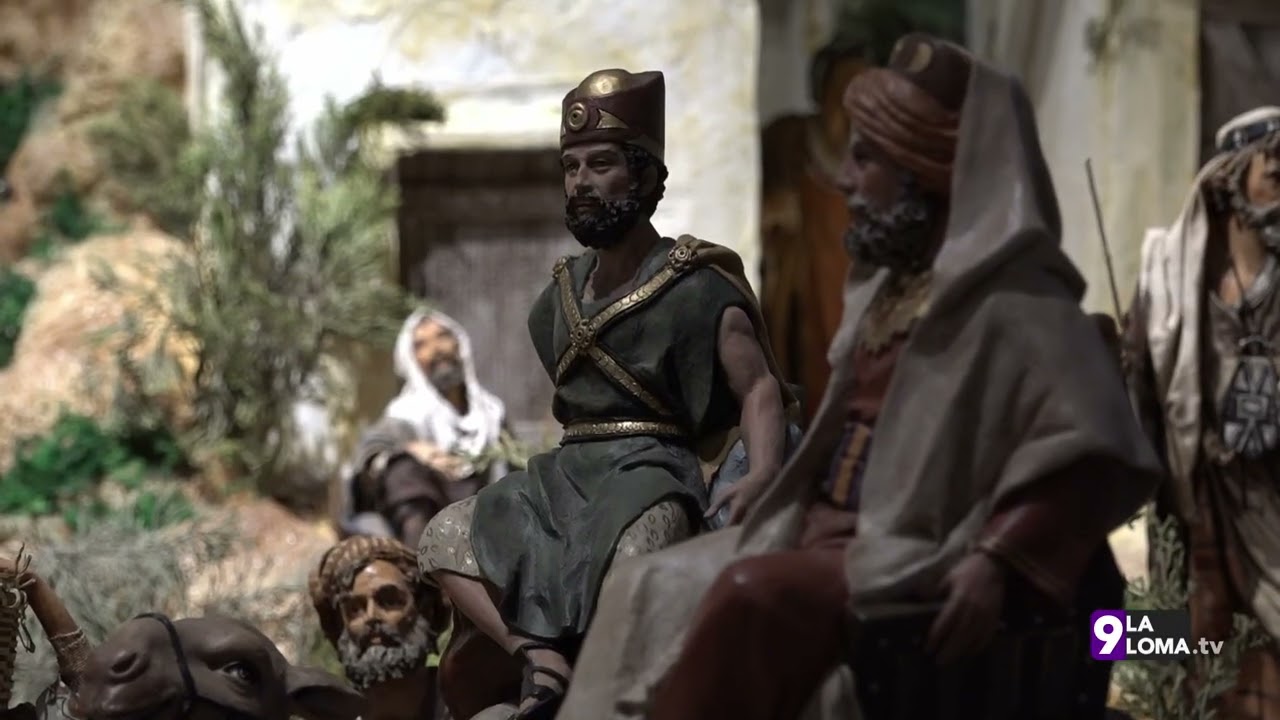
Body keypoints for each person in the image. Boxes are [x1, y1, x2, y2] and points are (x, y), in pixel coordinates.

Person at [556, 33, 1162, 720]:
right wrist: (780, 489)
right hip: (826, 529)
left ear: (927, 174)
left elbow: (1093, 455)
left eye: (865, 157)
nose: (844, 179)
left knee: (752, 591)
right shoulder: (889, 295)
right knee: (647, 583)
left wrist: (998, 558)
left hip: (913, 548)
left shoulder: (1021, 308)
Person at [416, 68, 796, 719]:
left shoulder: (696, 285)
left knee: (639, 560)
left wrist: (762, 473)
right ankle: (538, 658)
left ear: (643, 175)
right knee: (444, 537)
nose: (581, 183)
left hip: (653, 472)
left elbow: (760, 386)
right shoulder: (557, 299)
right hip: (566, 474)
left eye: (600, 164)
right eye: (570, 167)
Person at [1125, 106, 1280, 718]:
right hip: (1187, 499)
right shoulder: (1169, 272)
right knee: (1162, 653)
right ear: (1229, 179)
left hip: (1270, 510)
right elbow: (1138, 383)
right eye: (1275, 172)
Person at [759, 38, 871, 419]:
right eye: (843, 94)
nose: (853, 111)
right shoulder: (787, 144)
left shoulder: (882, 167)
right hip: (802, 311)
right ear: (822, 97)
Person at [341, 309, 508, 547]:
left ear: (459, 344)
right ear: (411, 358)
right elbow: (369, 460)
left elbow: (514, 466)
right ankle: (426, 570)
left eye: (442, 336)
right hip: (429, 526)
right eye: (422, 344)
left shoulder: (491, 414)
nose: (436, 348)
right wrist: (412, 449)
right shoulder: (404, 415)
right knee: (402, 468)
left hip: (483, 521)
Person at [308, 536, 443, 720]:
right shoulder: (334, 714)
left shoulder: (466, 699)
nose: (371, 617)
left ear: (425, 611)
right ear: (340, 627)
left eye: (389, 601)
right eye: (354, 609)